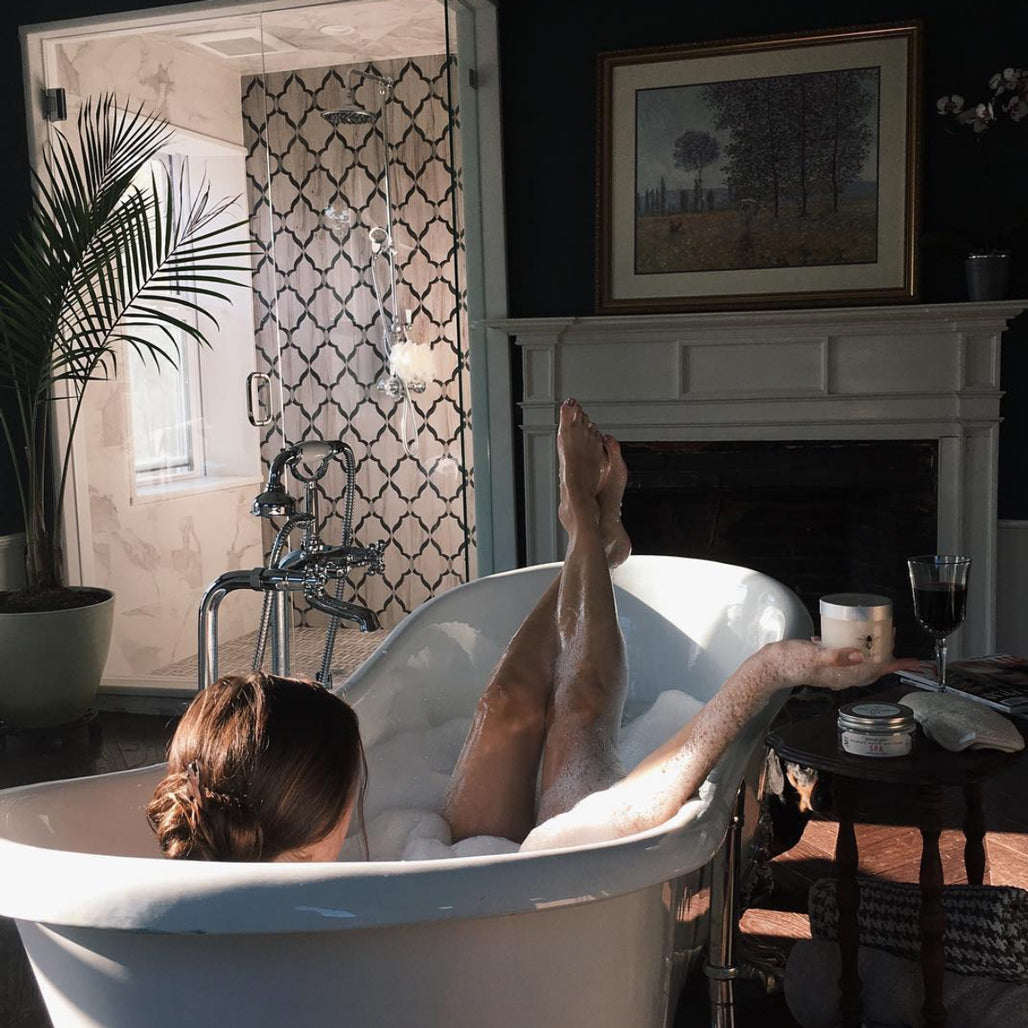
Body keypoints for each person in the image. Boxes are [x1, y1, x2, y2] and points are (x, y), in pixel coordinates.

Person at [148, 398, 918, 861]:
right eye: (359, 777)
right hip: (485, 879)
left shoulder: (269, 849)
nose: (367, 786)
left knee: (507, 702)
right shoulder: (349, 892)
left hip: (450, 855)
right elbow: (623, 816)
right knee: (578, 707)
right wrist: (772, 666)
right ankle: (589, 531)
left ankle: (593, 538)